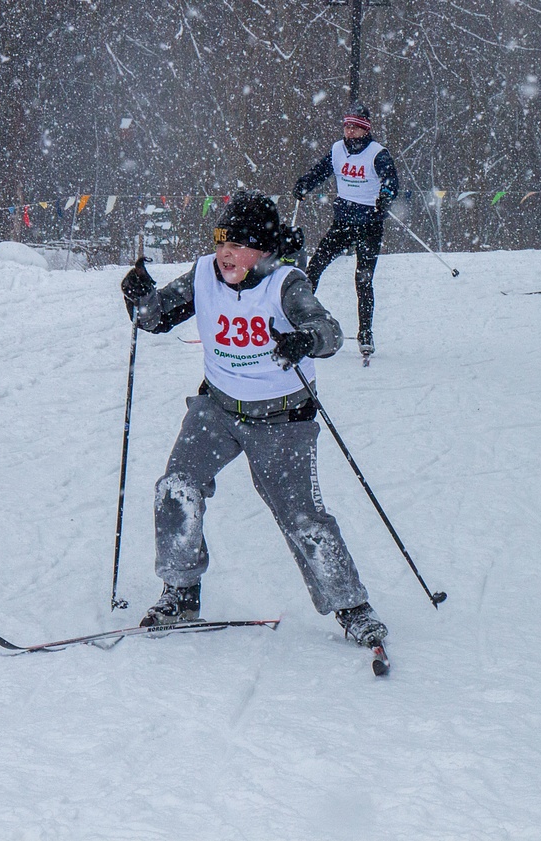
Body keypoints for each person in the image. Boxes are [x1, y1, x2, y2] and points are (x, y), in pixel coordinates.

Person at [118, 190, 388, 648]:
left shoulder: (285, 284)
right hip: (219, 409)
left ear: (263, 250)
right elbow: (156, 318)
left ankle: (353, 608)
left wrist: (304, 340)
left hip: (283, 420)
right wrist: (139, 297)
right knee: (176, 487)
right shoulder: (204, 274)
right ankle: (180, 593)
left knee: (302, 517)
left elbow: (330, 332)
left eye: (239, 244)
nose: (226, 252)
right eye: (223, 240)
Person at [293, 103, 399, 357]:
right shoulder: (337, 150)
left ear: (364, 129)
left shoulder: (377, 153)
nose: (349, 131)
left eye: (354, 127)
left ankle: (365, 333)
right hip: (343, 223)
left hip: (370, 225)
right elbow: (320, 172)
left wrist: (386, 195)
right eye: (346, 126)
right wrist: (304, 184)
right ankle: (299, 320)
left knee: (363, 280)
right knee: (314, 269)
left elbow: (391, 180)